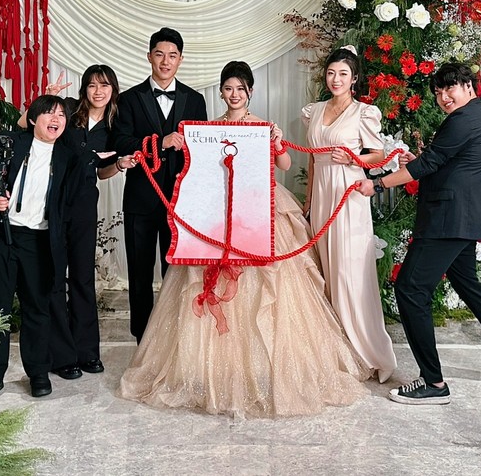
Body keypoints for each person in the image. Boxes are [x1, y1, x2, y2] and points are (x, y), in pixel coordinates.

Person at [119, 61, 370, 417]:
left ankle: (261, 366)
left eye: (240, 88)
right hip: (220, 211)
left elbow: (284, 165)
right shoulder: (209, 128)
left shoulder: (263, 126)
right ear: (222, 93)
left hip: (260, 207)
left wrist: (277, 143)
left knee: (268, 288)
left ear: (250, 91)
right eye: (228, 88)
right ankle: (216, 369)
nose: (234, 94)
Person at [356, 61, 481, 405]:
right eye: (438, 91)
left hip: (448, 219)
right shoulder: (474, 114)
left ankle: (433, 382)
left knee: (410, 288)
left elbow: (430, 164)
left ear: (468, 86)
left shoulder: (463, 119)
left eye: (450, 88)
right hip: (461, 218)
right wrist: (418, 160)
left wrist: (378, 184)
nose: (444, 96)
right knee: (468, 284)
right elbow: (442, 161)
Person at [24, 66, 134, 381]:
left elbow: (101, 172)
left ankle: (87, 352)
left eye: (104, 85)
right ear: (84, 89)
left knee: (83, 278)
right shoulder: (68, 110)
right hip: (53, 201)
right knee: (55, 278)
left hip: (85, 204)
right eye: (92, 85)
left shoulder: (114, 125)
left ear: (113, 89)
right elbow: (28, 126)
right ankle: (63, 356)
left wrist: (119, 164)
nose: (98, 91)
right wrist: (44, 99)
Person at [0, 95, 75, 400]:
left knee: (38, 308)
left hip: (39, 241)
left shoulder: (68, 157)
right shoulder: (11, 144)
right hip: (3, 235)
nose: (56, 119)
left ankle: (38, 373)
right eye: (49, 113)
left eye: (61, 115)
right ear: (33, 119)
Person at [302, 46, 397, 383]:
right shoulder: (314, 111)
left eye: (343, 74)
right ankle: (336, 350)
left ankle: (367, 351)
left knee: (349, 271)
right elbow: (312, 157)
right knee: (327, 270)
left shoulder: (363, 112)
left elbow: (378, 155)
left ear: (354, 79)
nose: (336, 79)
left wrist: (354, 158)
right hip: (322, 195)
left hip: (349, 193)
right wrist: (308, 200)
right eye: (331, 73)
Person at [112, 27, 208, 343]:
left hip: (180, 203)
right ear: (149, 56)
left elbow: (202, 149)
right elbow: (120, 142)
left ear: (181, 59)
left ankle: (173, 338)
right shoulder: (128, 99)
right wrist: (160, 142)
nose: (166, 61)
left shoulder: (195, 100)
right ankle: (142, 338)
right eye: (159, 54)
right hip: (140, 199)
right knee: (139, 273)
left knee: (176, 272)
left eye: (172, 55)